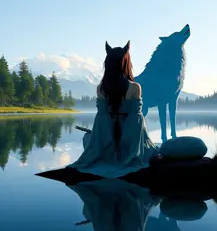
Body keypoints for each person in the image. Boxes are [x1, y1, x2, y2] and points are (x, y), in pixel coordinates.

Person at [67, 40, 159, 178]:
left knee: (88, 139)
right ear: (126, 62)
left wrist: (102, 137)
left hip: (108, 137)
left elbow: (102, 119)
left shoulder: (101, 89)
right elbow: (136, 120)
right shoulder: (135, 87)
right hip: (130, 141)